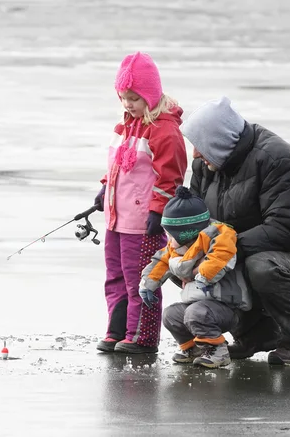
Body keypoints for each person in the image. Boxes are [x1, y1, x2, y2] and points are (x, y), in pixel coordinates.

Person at [181, 96, 290, 365]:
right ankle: (256, 334)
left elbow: (286, 230)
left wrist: (223, 251)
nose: (195, 154)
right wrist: (188, 253)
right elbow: (197, 219)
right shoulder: (207, 164)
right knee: (186, 264)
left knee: (261, 266)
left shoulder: (277, 160)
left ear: (222, 140)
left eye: (200, 146)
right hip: (246, 256)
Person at [94, 52, 188, 354]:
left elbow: (170, 177)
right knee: (116, 276)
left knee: (141, 278)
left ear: (149, 94)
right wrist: (104, 190)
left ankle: (141, 336)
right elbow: (117, 168)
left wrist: (157, 210)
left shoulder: (164, 129)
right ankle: (117, 329)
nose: (127, 104)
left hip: (142, 220)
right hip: (116, 218)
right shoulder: (124, 126)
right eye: (123, 97)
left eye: (133, 98)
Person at [139, 185, 252, 368]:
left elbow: (221, 255)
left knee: (196, 313)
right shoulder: (177, 246)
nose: (169, 238)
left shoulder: (219, 234)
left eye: (171, 232)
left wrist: (203, 275)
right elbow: (160, 262)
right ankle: (193, 348)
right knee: (171, 315)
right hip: (198, 303)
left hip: (225, 305)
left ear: (186, 229)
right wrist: (147, 284)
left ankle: (218, 350)